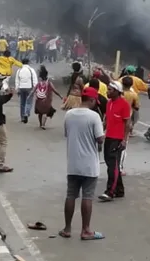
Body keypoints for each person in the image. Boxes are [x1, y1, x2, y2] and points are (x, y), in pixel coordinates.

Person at [61, 86, 105, 240]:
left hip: (73, 163)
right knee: (87, 196)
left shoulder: (69, 114)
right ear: (92, 100)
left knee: (71, 195)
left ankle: (67, 229)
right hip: (89, 165)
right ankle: (86, 230)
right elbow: (99, 139)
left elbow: (67, 134)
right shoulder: (94, 117)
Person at [99, 81, 131, 202]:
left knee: (113, 165)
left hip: (117, 139)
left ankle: (110, 191)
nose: (107, 92)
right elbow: (106, 119)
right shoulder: (109, 103)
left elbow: (128, 123)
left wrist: (124, 140)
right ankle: (119, 189)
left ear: (117, 91)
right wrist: (101, 132)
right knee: (110, 164)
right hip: (109, 137)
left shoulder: (124, 104)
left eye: (110, 90)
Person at [15, 58, 38, 123]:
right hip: (29, 88)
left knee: (22, 102)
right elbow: (34, 79)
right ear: (28, 62)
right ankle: (26, 113)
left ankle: (22, 116)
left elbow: (17, 80)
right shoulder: (31, 70)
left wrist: (17, 89)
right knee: (29, 102)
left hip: (21, 88)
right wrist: (35, 88)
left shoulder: (19, 70)